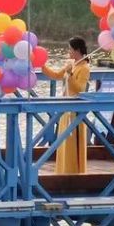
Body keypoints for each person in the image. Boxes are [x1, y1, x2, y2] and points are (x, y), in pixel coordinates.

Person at [42, 36, 91, 174]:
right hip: (66, 106)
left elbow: (80, 89)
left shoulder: (84, 68)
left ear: (77, 50)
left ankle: (74, 171)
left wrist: (70, 75)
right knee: (63, 140)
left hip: (75, 110)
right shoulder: (71, 64)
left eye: (70, 49)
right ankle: (63, 170)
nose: (68, 52)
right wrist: (42, 66)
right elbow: (57, 75)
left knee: (71, 140)